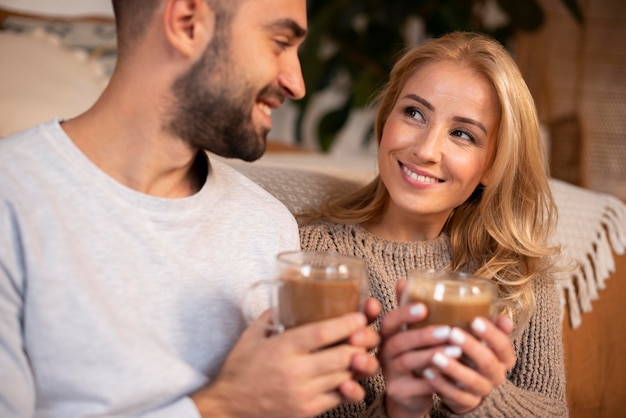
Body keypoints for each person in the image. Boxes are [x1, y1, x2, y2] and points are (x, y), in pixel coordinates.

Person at [0, 1, 382, 417]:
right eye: (280, 42)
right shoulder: (15, 200)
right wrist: (226, 406)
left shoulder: (266, 225)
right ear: (186, 24)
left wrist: (399, 404)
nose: (296, 84)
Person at [299, 32, 569, 417]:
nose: (425, 150)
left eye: (462, 134)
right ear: (385, 120)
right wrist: (400, 409)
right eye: (413, 113)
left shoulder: (521, 278)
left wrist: (482, 401)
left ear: (493, 165)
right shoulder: (314, 261)